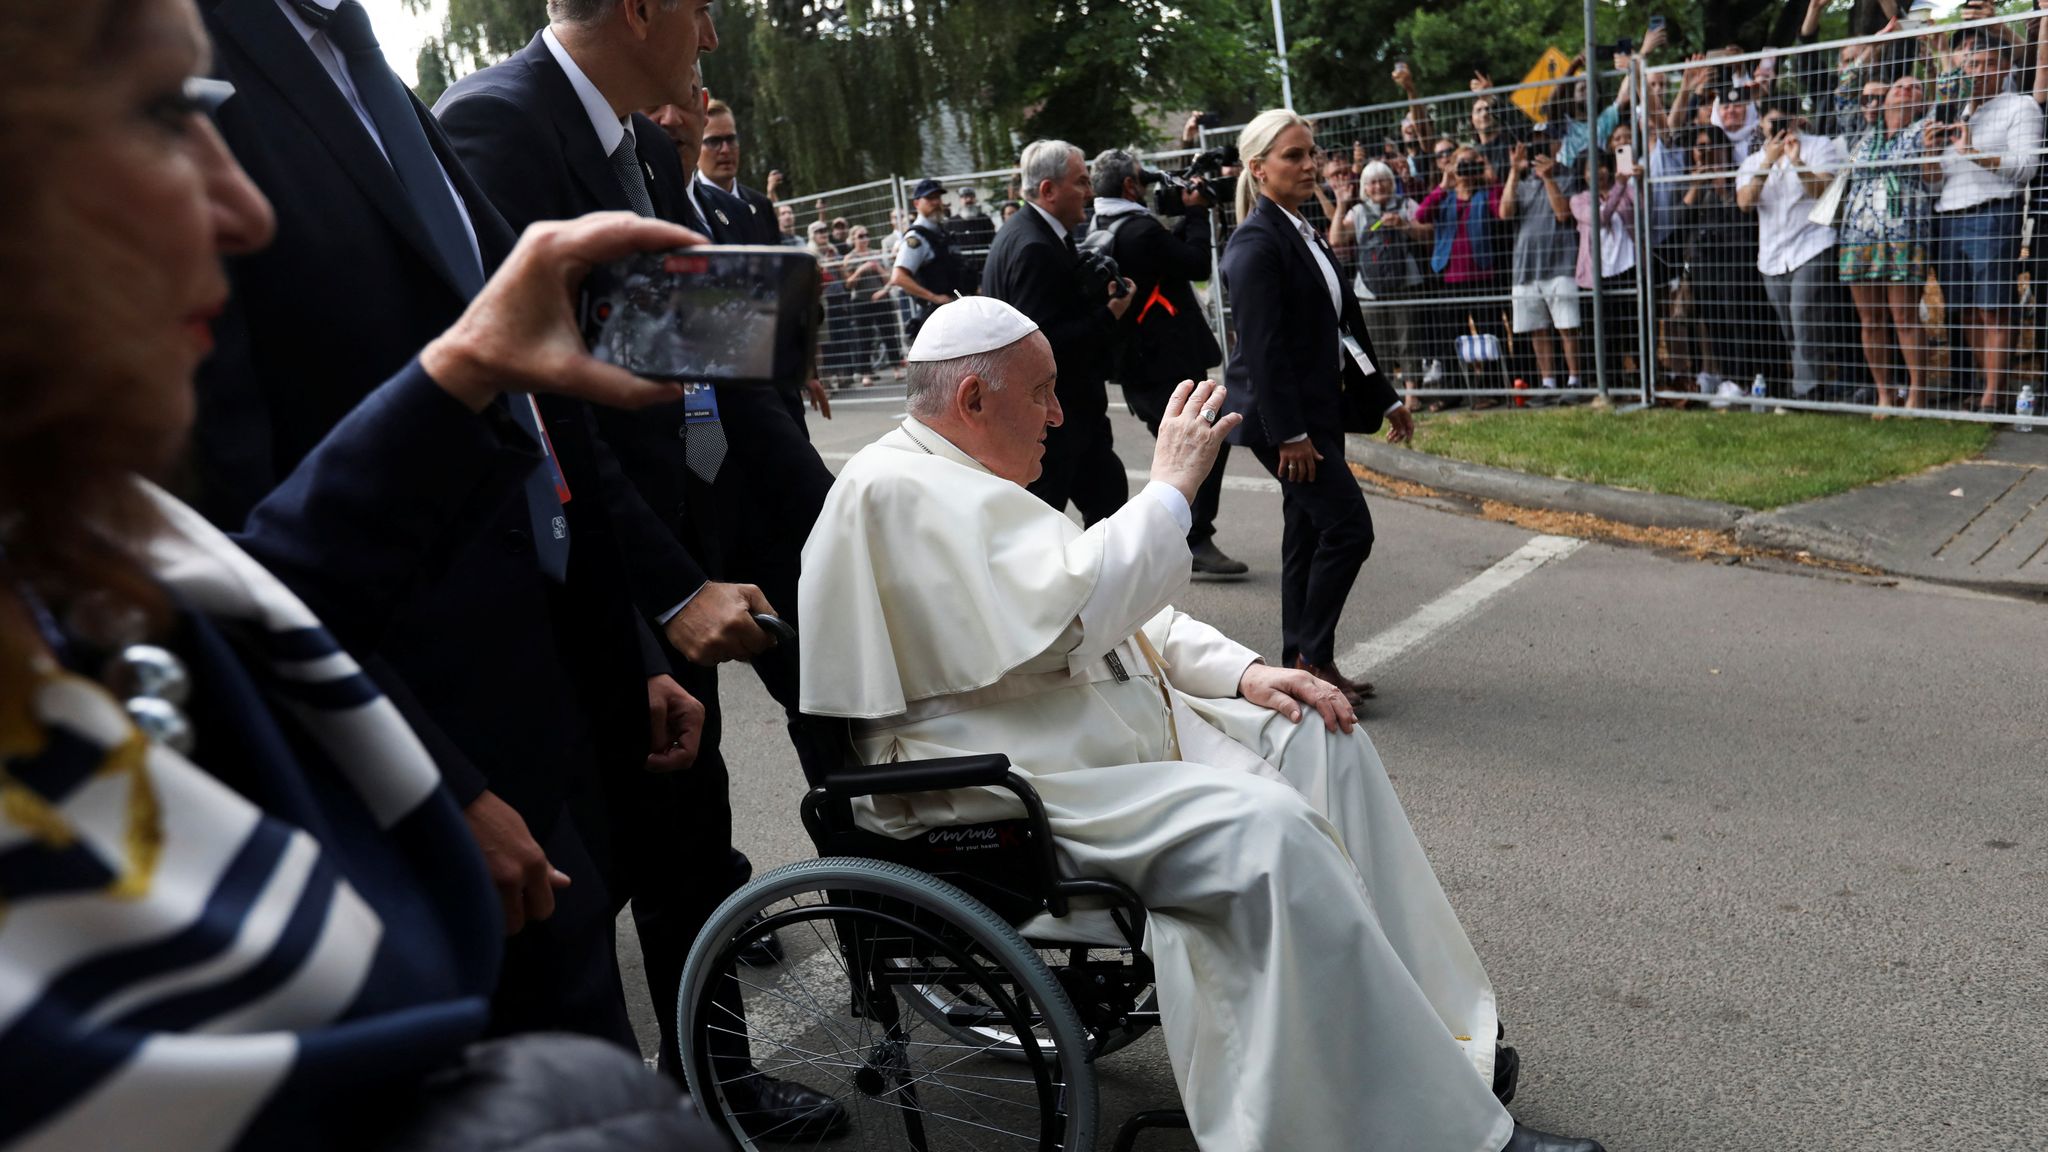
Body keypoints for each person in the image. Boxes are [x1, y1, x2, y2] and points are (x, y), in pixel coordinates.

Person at [0, 3, 737, 1147]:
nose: (241, 208)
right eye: (162, 115)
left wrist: (460, 375)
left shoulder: (72, 550)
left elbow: (230, 607)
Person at [797, 295, 1605, 1152]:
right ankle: (1437, 1133)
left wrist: (1248, 671)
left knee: (1318, 733)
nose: (1059, 414)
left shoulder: (959, 470)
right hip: (992, 777)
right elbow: (1082, 610)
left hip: (1079, 734)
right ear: (972, 401)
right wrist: (1173, 490)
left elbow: (1116, 613)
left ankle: (1435, 1046)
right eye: (1043, 393)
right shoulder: (896, 488)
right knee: (1269, 832)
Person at [194, 0, 708, 1059]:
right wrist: (414, 774)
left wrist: (625, 637)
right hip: (404, 714)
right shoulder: (189, 40)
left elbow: (530, 383)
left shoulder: (357, 56)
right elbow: (216, 536)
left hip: (547, 675)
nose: (226, 206)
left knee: (589, 1048)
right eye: (156, 127)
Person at [432, 2, 847, 1137]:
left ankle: (711, 1082)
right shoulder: (490, 129)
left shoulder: (644, 146)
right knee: (594, 879)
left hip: (680, 554)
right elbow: (540, 408)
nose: (709, 43)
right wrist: (664, 589)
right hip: (587, 587)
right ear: (642, 9)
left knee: (688, 838)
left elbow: (684, 346)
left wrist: (844, 513)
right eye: (704, 12)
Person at [1221, 109, 1413, 707]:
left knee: (1306, 534)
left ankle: (1304, 658)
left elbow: (1342, 330)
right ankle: (1310, 656)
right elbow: (1264, 352)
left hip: (1318, 409)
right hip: (1289, 420)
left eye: (1311, 153)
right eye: (1293, 156)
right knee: (1349, 528)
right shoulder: (1255, 244)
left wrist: (1386, 396)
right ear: (1259, 169)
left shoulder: (1303, 231)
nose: (1311, 165)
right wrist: (1290, 435)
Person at [1088, 148, 1245, 579]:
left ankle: (1182, 538)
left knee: (1183, 448)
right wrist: (1195, 213)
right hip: (1166, 363)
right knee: (1205, 441)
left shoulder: (1100, 225)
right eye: (1144, 178)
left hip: (1136, 364)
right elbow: (1194, 263)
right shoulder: (1139, 229)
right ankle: (1189, 539)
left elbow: (1165, 259)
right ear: (1128, 186)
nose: (1152, 186)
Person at [982, 139, 1136, 525]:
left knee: (1107, 501)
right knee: (1042, 523)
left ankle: (1101, 582)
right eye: (1081, 182)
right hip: (1056, 420)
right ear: (1049, 190)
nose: (1090, 192)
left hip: (1067, 419)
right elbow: (1042, 344)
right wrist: (1111, 313)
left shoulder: (1027, 233)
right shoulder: (1034, 245)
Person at [1925, 24, 2042, 415]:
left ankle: (1994, 394)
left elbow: (2026, 167)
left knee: (1994, 308)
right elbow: (1933, 177)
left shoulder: (2019, 105)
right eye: (1970, 64)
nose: (1976, 71)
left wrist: (1976, 154)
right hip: (1948, 218)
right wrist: (1926, 155)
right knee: (1965, 309)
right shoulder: (1949, 111)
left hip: (1992, 213)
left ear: (2005, 68)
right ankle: (1987, 384)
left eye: (1986, 63)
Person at [1738, 97, 1847, 403]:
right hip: (1772, 257)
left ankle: (1804, 396)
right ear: (1761, 124)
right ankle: (1813, 385)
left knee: (1804, 318)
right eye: (1772, 123)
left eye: (1783, 122)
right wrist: (1767, 162)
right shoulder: (1752, 161)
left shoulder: (1819, 146)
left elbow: (1823, 191)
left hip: (1812, 245)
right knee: (1792, 328)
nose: (1778, 129)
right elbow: (1745, 202)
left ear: (1797, 119)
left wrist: (1797, 163)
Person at [1842, 75, 1932, 413]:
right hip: (1857, 235)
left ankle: (1917, 394)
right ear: (1886, 98)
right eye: (1900, 86)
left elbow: (1958, 89)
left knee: (1905, 316)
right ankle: (1884, 393)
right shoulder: (1863, 133)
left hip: (1903, 234)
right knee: (1871, 319)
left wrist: (1935, 48)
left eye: (1916, 86)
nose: (1907, 89)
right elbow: (1842, 93)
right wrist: (1873, 48)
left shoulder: (1927, 127)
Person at [1331, 160, 1432, 400]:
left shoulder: (1407, 205)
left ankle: (1411, 394)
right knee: (1376, 344)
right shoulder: (1357, 212)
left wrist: (1404, 225)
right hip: (1368, 289)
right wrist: (1342, 203)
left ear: (1392, 182)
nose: (1378, 186)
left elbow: (1428, 234)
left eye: (1383, 180)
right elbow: (1336, 238)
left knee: (1408, 340)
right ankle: (1386, 396)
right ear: (1365, 187)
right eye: (1372, 182)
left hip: (1405, 284)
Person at [1415, 145, 1504, 410]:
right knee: (1448, 337)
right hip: (1449, 278)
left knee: (1489, 333)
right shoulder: (1445, 197)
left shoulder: (1486, 194)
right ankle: (1453, 391)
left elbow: (1503, 209)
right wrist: (1444, 184)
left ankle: (1492, 389)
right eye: (1460, 164)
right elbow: (1421, 216)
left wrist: (1491, 175)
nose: (1465, 169)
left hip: (1482, 275)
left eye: (1470, 164)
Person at [1498, 133, 1585, 401]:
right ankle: (1548, 383)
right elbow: (1505, 212)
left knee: (1567, 326)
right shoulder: (1521, 184)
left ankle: (1574, 382)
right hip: (1526, 268)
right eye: (1533, 144)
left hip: (1560, 264)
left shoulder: (1568, 177)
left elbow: (1562, 214)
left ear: (1556, 147)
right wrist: (1514, 170)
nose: (1538, 150)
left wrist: (1548, 177)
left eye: (1544, 144)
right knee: (1538, 329)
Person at [885, 177, 965, 339]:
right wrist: (934, 298)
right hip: (936, 318)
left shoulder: (941, 232)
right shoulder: (917, 238)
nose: (936, 202)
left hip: (954, 312)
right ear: (916, 204)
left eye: (938, 197)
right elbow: (898, 277)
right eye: (929, 198)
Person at [697, 96, 778, 241]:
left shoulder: (762, 205)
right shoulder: (689, 207)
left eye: (731, 139)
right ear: (695, 146)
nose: (725, 150)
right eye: (713, 141)